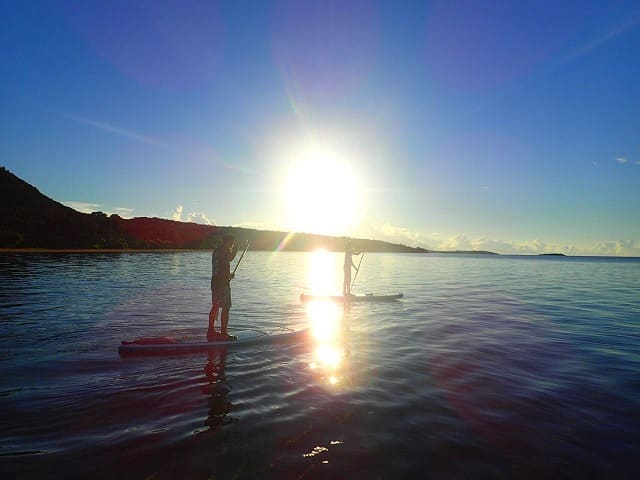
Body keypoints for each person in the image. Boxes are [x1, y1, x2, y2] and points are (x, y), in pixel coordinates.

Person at [208, 235, 238, 341]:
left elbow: (222, 265)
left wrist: (228, 274)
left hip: (215, 281)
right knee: (226, 307)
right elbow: (229, 259)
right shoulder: (224, 250)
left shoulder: (216, 251)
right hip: (222, 283)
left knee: (215, 306)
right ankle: (223, 334)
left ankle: (210, 331)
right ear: (229, 242)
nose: (232, 245)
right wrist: (236, 249)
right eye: (232, 243)